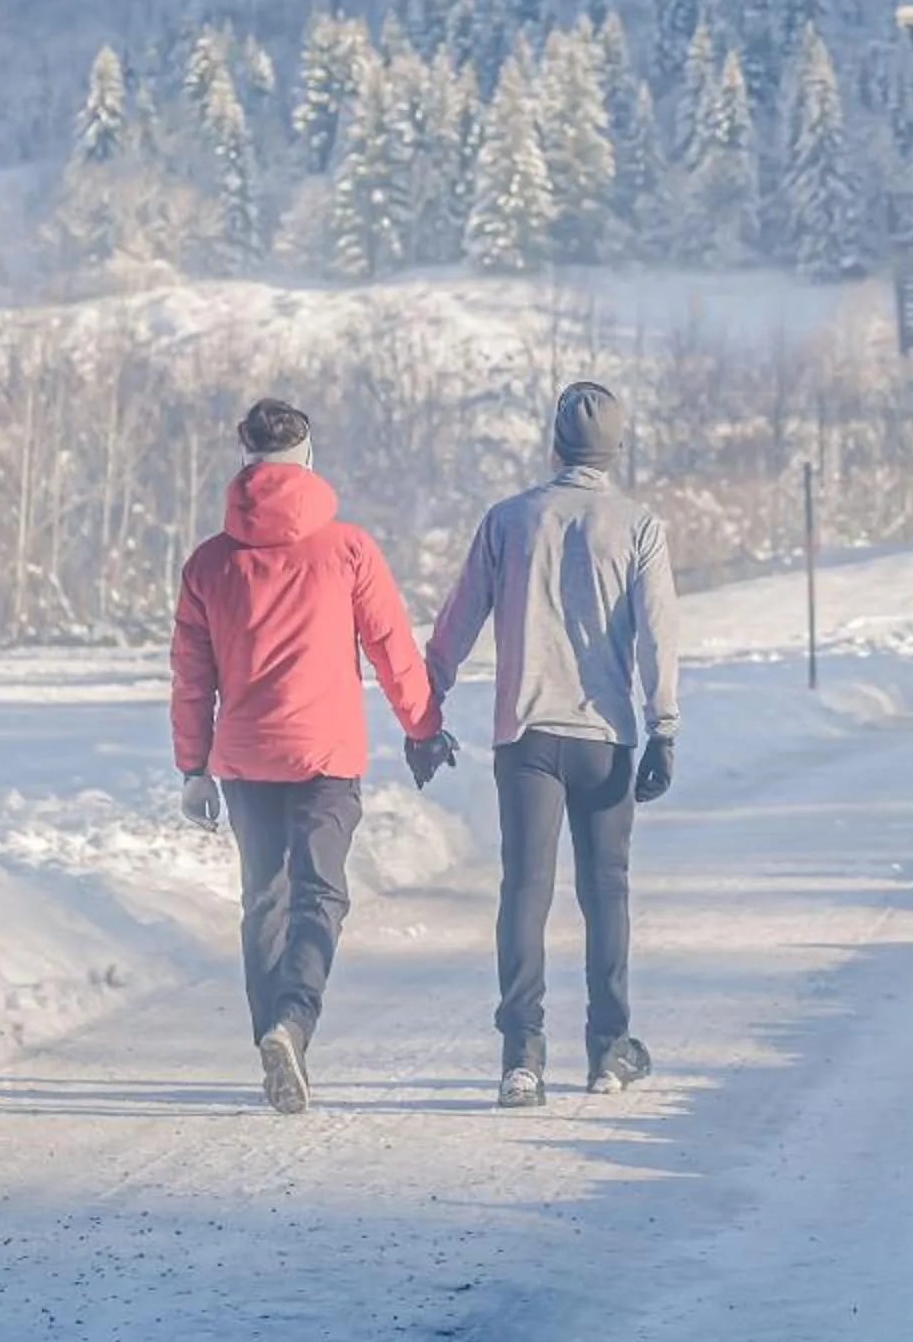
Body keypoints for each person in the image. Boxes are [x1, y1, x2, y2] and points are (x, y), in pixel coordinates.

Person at [171, 398, 444, 1116]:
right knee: (320, 894)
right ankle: (292, 1024)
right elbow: (390, 645)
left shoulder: (209, 563)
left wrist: (193, 768)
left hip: (243, 757)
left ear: (246, 462)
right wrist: (422, 727)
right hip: (325, 753)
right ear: (308, 461)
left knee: (263, 897)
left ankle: (273, 1035)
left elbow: (192, 678)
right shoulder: (347, 548)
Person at [426, 381, 680, 1109]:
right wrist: (663, 726)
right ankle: (608, 1051)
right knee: (606, 892)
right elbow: (659, 632)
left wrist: (426, 704)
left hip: (526, 736)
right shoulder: (639, 526)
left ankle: (522, 1058)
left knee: (525, 890)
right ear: (616, 449)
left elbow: (456, 623)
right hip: (605, 738)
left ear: (555, 445)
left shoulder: (508, 521)